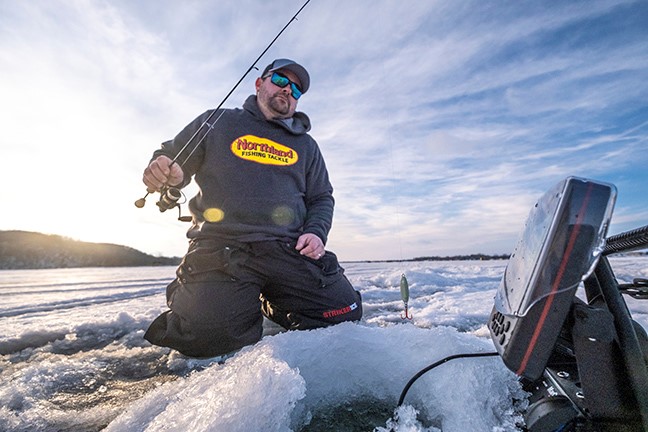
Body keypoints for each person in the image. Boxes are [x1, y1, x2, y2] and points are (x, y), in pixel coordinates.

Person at [141, 58, 363, 358]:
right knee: (208, 337)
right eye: (281, 81)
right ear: (260, 83)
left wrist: (315, 233)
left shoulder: (307, 146)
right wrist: (168, 170)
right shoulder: (216, 121)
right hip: (223, 246)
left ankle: (269, 301)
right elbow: (173, 157)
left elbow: (322, 197)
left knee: (343, 314)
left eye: (296, 90)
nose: (288, 90)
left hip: (287, 249)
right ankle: (204, 294)